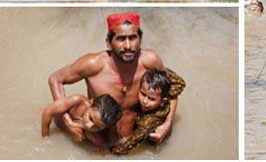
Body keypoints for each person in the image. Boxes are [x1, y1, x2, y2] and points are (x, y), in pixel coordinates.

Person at [48, 13, 178, 147]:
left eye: (133, 38)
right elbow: (55, 79)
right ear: (109, 43)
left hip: (133, 138)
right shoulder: (93, 64)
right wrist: (68, 123)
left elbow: (171, 90)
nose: (128, 46)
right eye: (121, 39)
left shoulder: (150, 61)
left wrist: (167, 124)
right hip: (98, 140)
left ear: (141, 39)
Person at [111, 68, 186, 155]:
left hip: (153, 137)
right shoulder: (160, 94)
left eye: (151, 99)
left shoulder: (148, 122)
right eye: (143, 94)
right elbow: (180, 83)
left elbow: (132, 143)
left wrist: (113, 152)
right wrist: (155, 71)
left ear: (163, 101)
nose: (145, 101)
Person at [41, 93, 122, 146]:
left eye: (97, 127)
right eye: (91, 118)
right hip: (53, 122)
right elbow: (48, 112)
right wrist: (44, 138)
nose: (89, 126)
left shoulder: (92, 134)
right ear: (90, 103)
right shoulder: (77, 101)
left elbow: (103, 150)